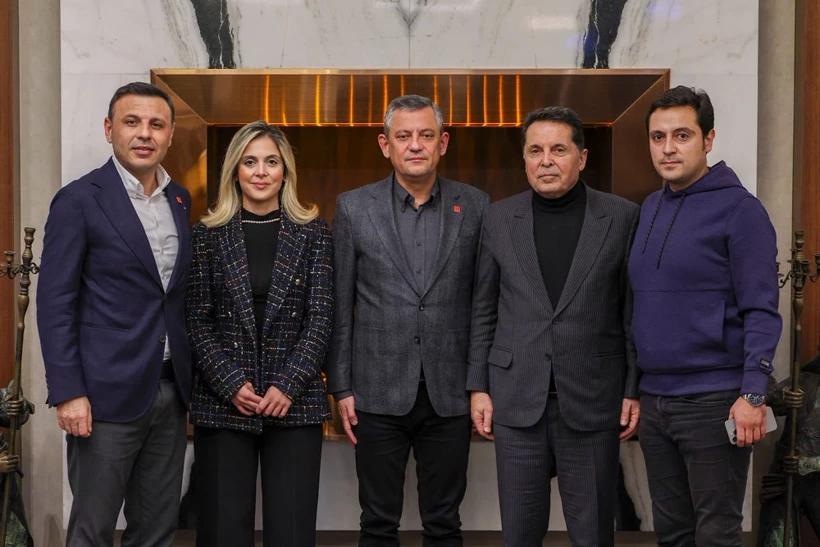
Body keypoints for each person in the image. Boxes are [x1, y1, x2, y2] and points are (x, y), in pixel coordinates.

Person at [468, 105, 640, 547]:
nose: (546, 160)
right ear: (525, 158)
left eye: (558, 150)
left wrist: (632, 389)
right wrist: (479, 387)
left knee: (592, 534)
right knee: (520, 534)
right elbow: (483, 309)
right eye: (535, 150)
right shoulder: (499, 218)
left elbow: (631, 312)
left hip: (593, 399)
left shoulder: (621, 217)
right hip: (516, 400)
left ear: (582, 158)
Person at [327, 94, 489, 546]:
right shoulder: (354, 208)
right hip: (376, 391)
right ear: (386, 145)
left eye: (425, 135)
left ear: (443, 143)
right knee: (378, 522)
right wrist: (341, 386)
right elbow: (340, 304)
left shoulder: (476, 206)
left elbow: (483, 305)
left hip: (450, 392)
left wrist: (479, 383)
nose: (415, 145)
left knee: (445, 522)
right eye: (403, 136)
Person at [37, 81, 192, 546]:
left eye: (156, 124)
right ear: (109, 129)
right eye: (132, 122)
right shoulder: (79, 199)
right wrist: (69, 392)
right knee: (93, 528)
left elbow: (172, 297)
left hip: (170, 391)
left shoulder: (180, 200)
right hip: (103, 397)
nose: (144, 133)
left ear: (170, 135)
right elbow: (55, 303)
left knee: (157, 530)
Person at [629, 85, 782, 546]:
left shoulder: (741, 211)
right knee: (671, 532)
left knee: (716, 532)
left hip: (715, 401)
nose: (668, 148)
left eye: (682, 135)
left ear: (708, 139)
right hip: (656, 401)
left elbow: (761, 309)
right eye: (658, 137)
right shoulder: (650, 207)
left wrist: (753, 394)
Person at [186, 121, 333, 547]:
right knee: (222, 532)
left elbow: (321, 317)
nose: (261, 172)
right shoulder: (208, 234)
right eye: (250, 162)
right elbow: (196, 318)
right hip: (224, 403)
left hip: (295, 403)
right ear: (235, 171)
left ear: (286, 171)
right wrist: (231, 383)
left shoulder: (314, 233)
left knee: (292, 533)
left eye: (271, 162)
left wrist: (287, 385)